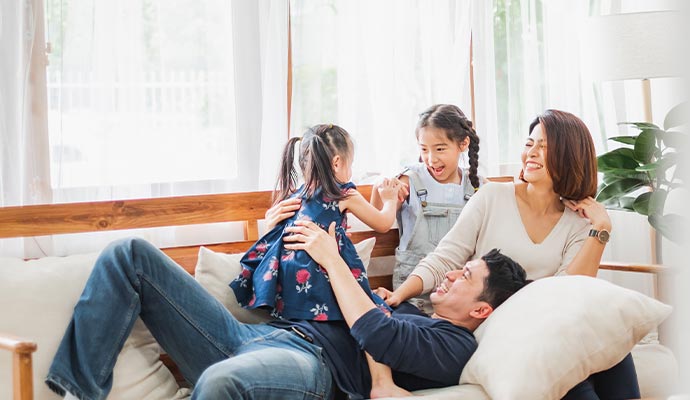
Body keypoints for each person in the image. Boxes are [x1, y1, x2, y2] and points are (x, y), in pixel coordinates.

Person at [44, 228, 531, 399]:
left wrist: (335, 259)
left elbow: (375, 336)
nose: (449, 276)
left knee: (222, 384)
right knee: (130, 253)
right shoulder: (407, 310)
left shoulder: (455, 345)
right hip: (257, 336)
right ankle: (77, 389)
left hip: (310, 367)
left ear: (482, 308)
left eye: (464, 276)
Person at [376, 109, 640, 399]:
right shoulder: (491, 197)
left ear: (568, 156)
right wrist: (400, 294)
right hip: (489, 326)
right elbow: (445, 258)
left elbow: (571, 293)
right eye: (529, 144)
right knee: (570, 375)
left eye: (544, 147)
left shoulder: (579, 224)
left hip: (539, 326)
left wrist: (601, 229)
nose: (532, 153)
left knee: (610, 344)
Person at [230, 123, 400, 321]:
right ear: (337, 163)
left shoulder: (294, 196)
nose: (351, 171)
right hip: (322, 277)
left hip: (291, 285)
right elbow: (382, 223)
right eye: (350, 164)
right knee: (372, 311)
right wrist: (390, 199)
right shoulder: (343, 194)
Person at [370, 104, 481, 315]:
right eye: (424, 149)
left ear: (463, 143)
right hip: (410, 297)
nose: (431, 158)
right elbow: (379, 223)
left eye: (440, 149)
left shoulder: (477, 187)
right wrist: (381, 189)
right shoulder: (410, 179)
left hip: (457, 298)